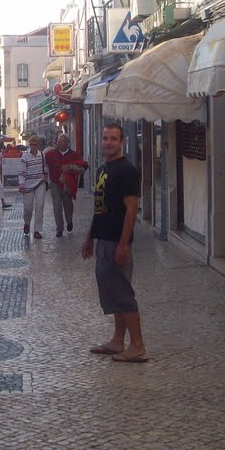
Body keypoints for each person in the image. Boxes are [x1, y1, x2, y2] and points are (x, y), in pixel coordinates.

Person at [81, 122, 148, 363]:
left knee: (123, 292)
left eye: (113, 139)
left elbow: (131, 211)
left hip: (117, 241)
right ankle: (118, 341)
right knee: (111, 293)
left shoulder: (126, 170)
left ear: (122, 142)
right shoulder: (102, 170)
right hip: (103, 239)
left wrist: (123, 244)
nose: (108, 142)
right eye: (105, 138)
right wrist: (90, 237)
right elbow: (100, 208)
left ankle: (137, 346)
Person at [45, 133, 89, 237]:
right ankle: (59, 229)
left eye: (61, 142)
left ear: (67, 143)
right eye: (58, 142)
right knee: (57, 207)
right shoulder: (50, 154)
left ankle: (69, 221)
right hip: (55, 183)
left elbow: (84, 165)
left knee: (68, 205)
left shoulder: (74, 155)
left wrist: (71, 167)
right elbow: (43, 165)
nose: (59, 144)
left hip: (67, 184)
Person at [19, 135, 49, 238]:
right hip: (28, 184)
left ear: (38, 145)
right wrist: (21, 185)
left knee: (40, 206)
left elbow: (45, 166)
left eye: (35, 145)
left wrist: (46, 175)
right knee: (28, 207)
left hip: (40, 183)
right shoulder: (25, 156)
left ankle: (37, 230)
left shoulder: (42, 154)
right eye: (31, 144)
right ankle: (27, 223)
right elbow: (22, 172)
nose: (33, 146)